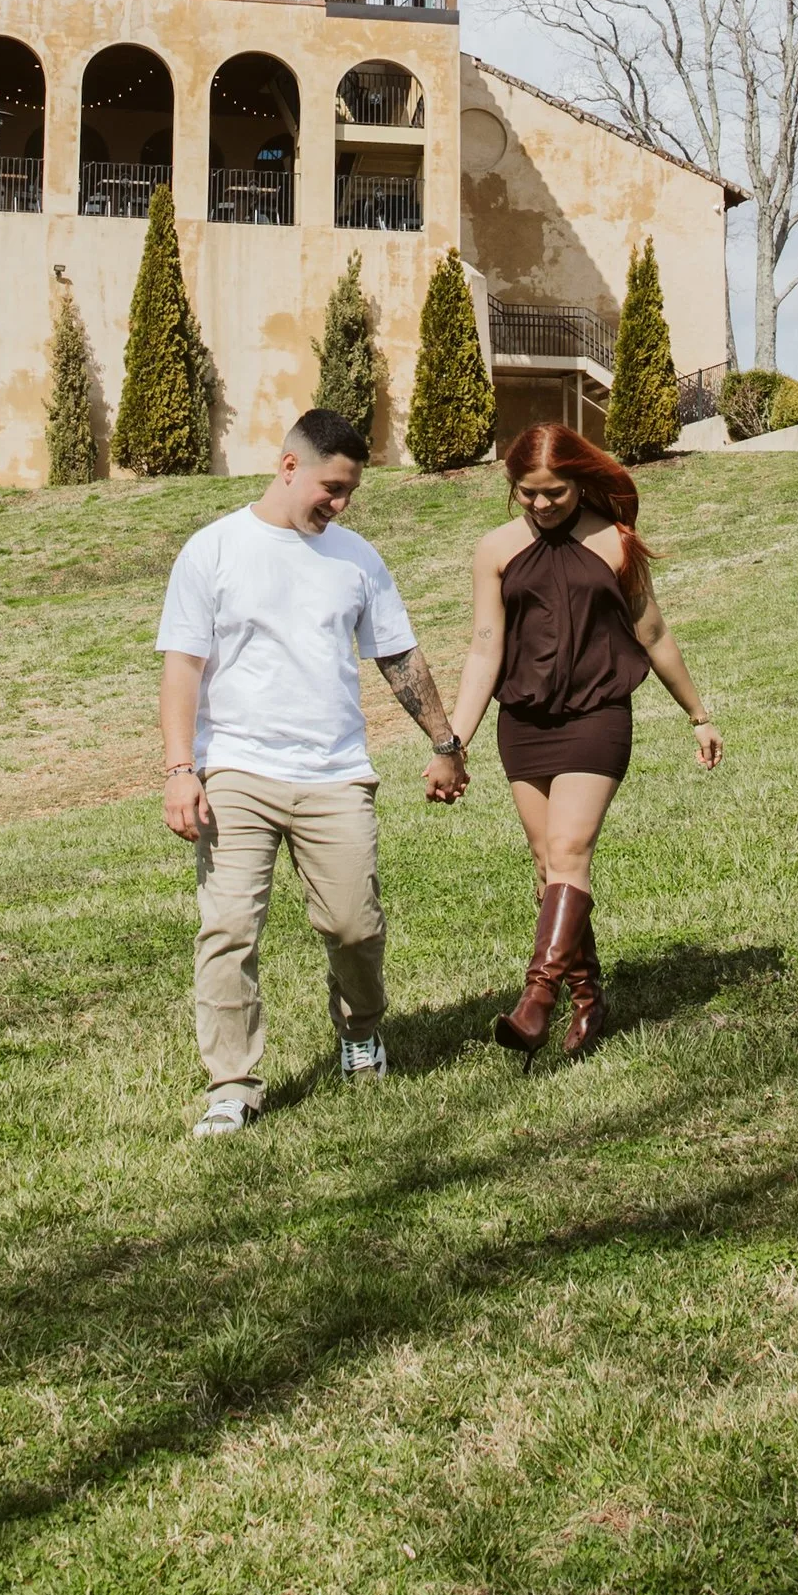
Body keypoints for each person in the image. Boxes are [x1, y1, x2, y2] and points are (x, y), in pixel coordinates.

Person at [157, 407, 466, 1139]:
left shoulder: (356, 559)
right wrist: (179, 768)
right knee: (228, 929)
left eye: (351, 490)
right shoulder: (214, 550)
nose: (342, 503)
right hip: (237, 771)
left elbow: (396, 654)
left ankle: (360, 1030)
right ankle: (232, 1084)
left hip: (336, 773)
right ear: (289, 466)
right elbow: (183, 666)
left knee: (354, 926)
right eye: (333, 487)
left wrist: (445, 740)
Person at [447, 424, 721, 1062]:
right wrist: (454, 740)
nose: (542, 504)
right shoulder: (496, 549)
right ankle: (589, 998)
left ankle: (536, 999)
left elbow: (653, 633)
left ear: (578, 481)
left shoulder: (615, 543)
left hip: (597, 715)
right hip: (524, 723)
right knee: (550, 867)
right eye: (528, 493)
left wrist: (698, 715)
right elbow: (485, 649)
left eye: (556, 492)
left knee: (570, 850)